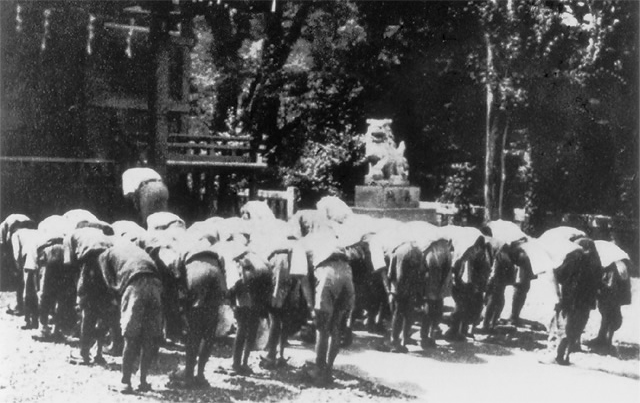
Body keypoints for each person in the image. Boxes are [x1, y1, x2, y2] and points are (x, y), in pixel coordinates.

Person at [95, 241, 164, 393]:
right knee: (149, 335)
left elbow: (108, 281)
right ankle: (143, 381)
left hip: (135, 284)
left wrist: (115, 296)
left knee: (131, 336)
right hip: (155, 284)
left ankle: (125, 382)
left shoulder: (104, 255)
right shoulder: (135, 250)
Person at [299, 231, 355, 386]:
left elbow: (303, 281)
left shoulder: (301, 245)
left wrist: (311, 307)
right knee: (335, 327)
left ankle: (318, 371)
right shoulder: (332, 237)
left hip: (327, 274)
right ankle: (328, 371)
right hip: (346, 272)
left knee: (322, 328)